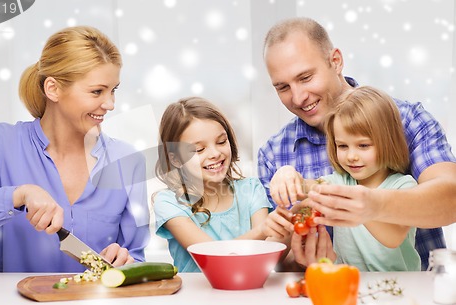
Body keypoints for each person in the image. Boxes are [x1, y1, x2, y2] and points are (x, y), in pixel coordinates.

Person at [259, 17, 456, 270]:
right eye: (283, 87)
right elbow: (272, 258)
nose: (298, 97)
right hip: (330, 294)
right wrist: (300, 263)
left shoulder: (406, 120)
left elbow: (451, 199)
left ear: (336, 61)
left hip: (414, 298)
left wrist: (375, 205)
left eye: (306, 77)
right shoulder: (274, 154)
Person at [0, 26, 150, 272]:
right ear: (53, 89)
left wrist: (126, 260)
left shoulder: (128, 161)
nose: (110, 104)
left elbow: (136, 257)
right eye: (97, 91)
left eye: (114, 91)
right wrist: (18, 195)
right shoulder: (2, 144)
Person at [269, 86, 421, 271]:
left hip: (395, 287)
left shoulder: (404, 185)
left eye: (363, 145)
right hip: (348, 284)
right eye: (342, 146)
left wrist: (359, 204)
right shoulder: (340, 182)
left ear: (388, 141)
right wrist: (286, 173)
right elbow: (306, 187)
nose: (351, 156)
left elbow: (393, 237)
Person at [153, 97, 273, 272]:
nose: (215, 153)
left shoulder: (252, 189)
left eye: (221, 142)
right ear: (176, 159)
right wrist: (263, 230)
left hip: (249, 292)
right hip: (194, 298)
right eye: (199, 150)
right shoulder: (169, 203)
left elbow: (266, 255)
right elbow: (213, 256)